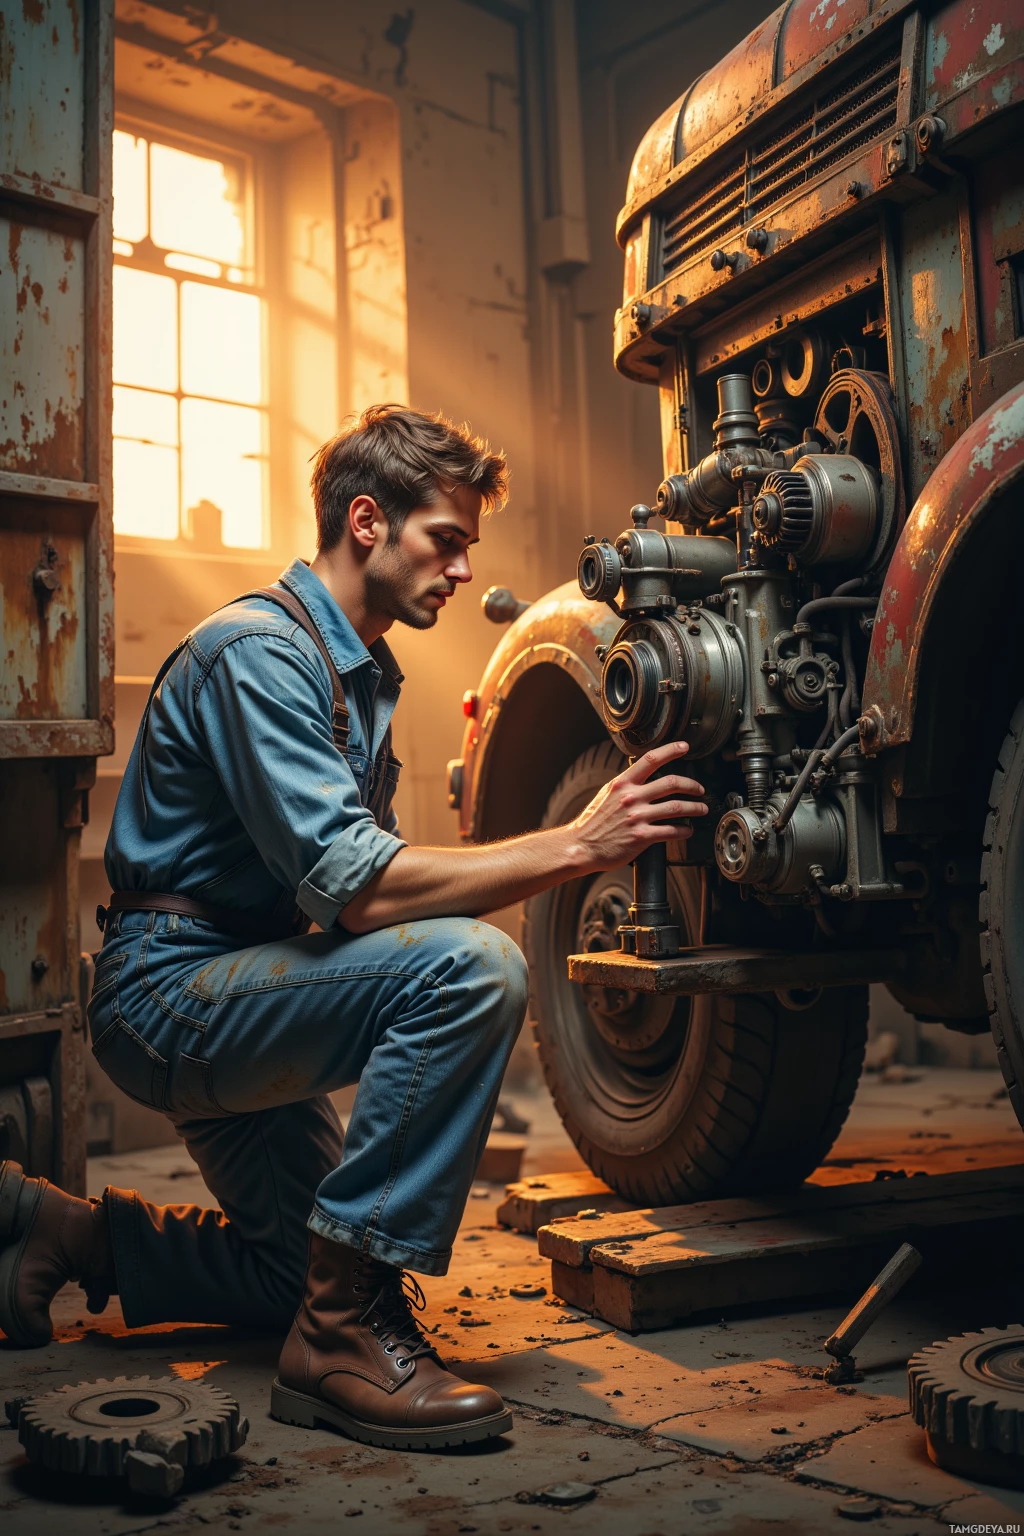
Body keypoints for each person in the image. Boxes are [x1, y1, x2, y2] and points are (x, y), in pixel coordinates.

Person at [0, 405, 707, 1451]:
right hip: (169, 998)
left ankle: (66, 1236)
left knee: (293, 1269)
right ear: (366, 521)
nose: (464, 570)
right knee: (473, 969)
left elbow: (354, 897)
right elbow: (365, 894)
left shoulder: (356, 676)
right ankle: (339, 1341)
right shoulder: (257, 652)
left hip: (245, 984)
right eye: (447, 540)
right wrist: (576, 843)